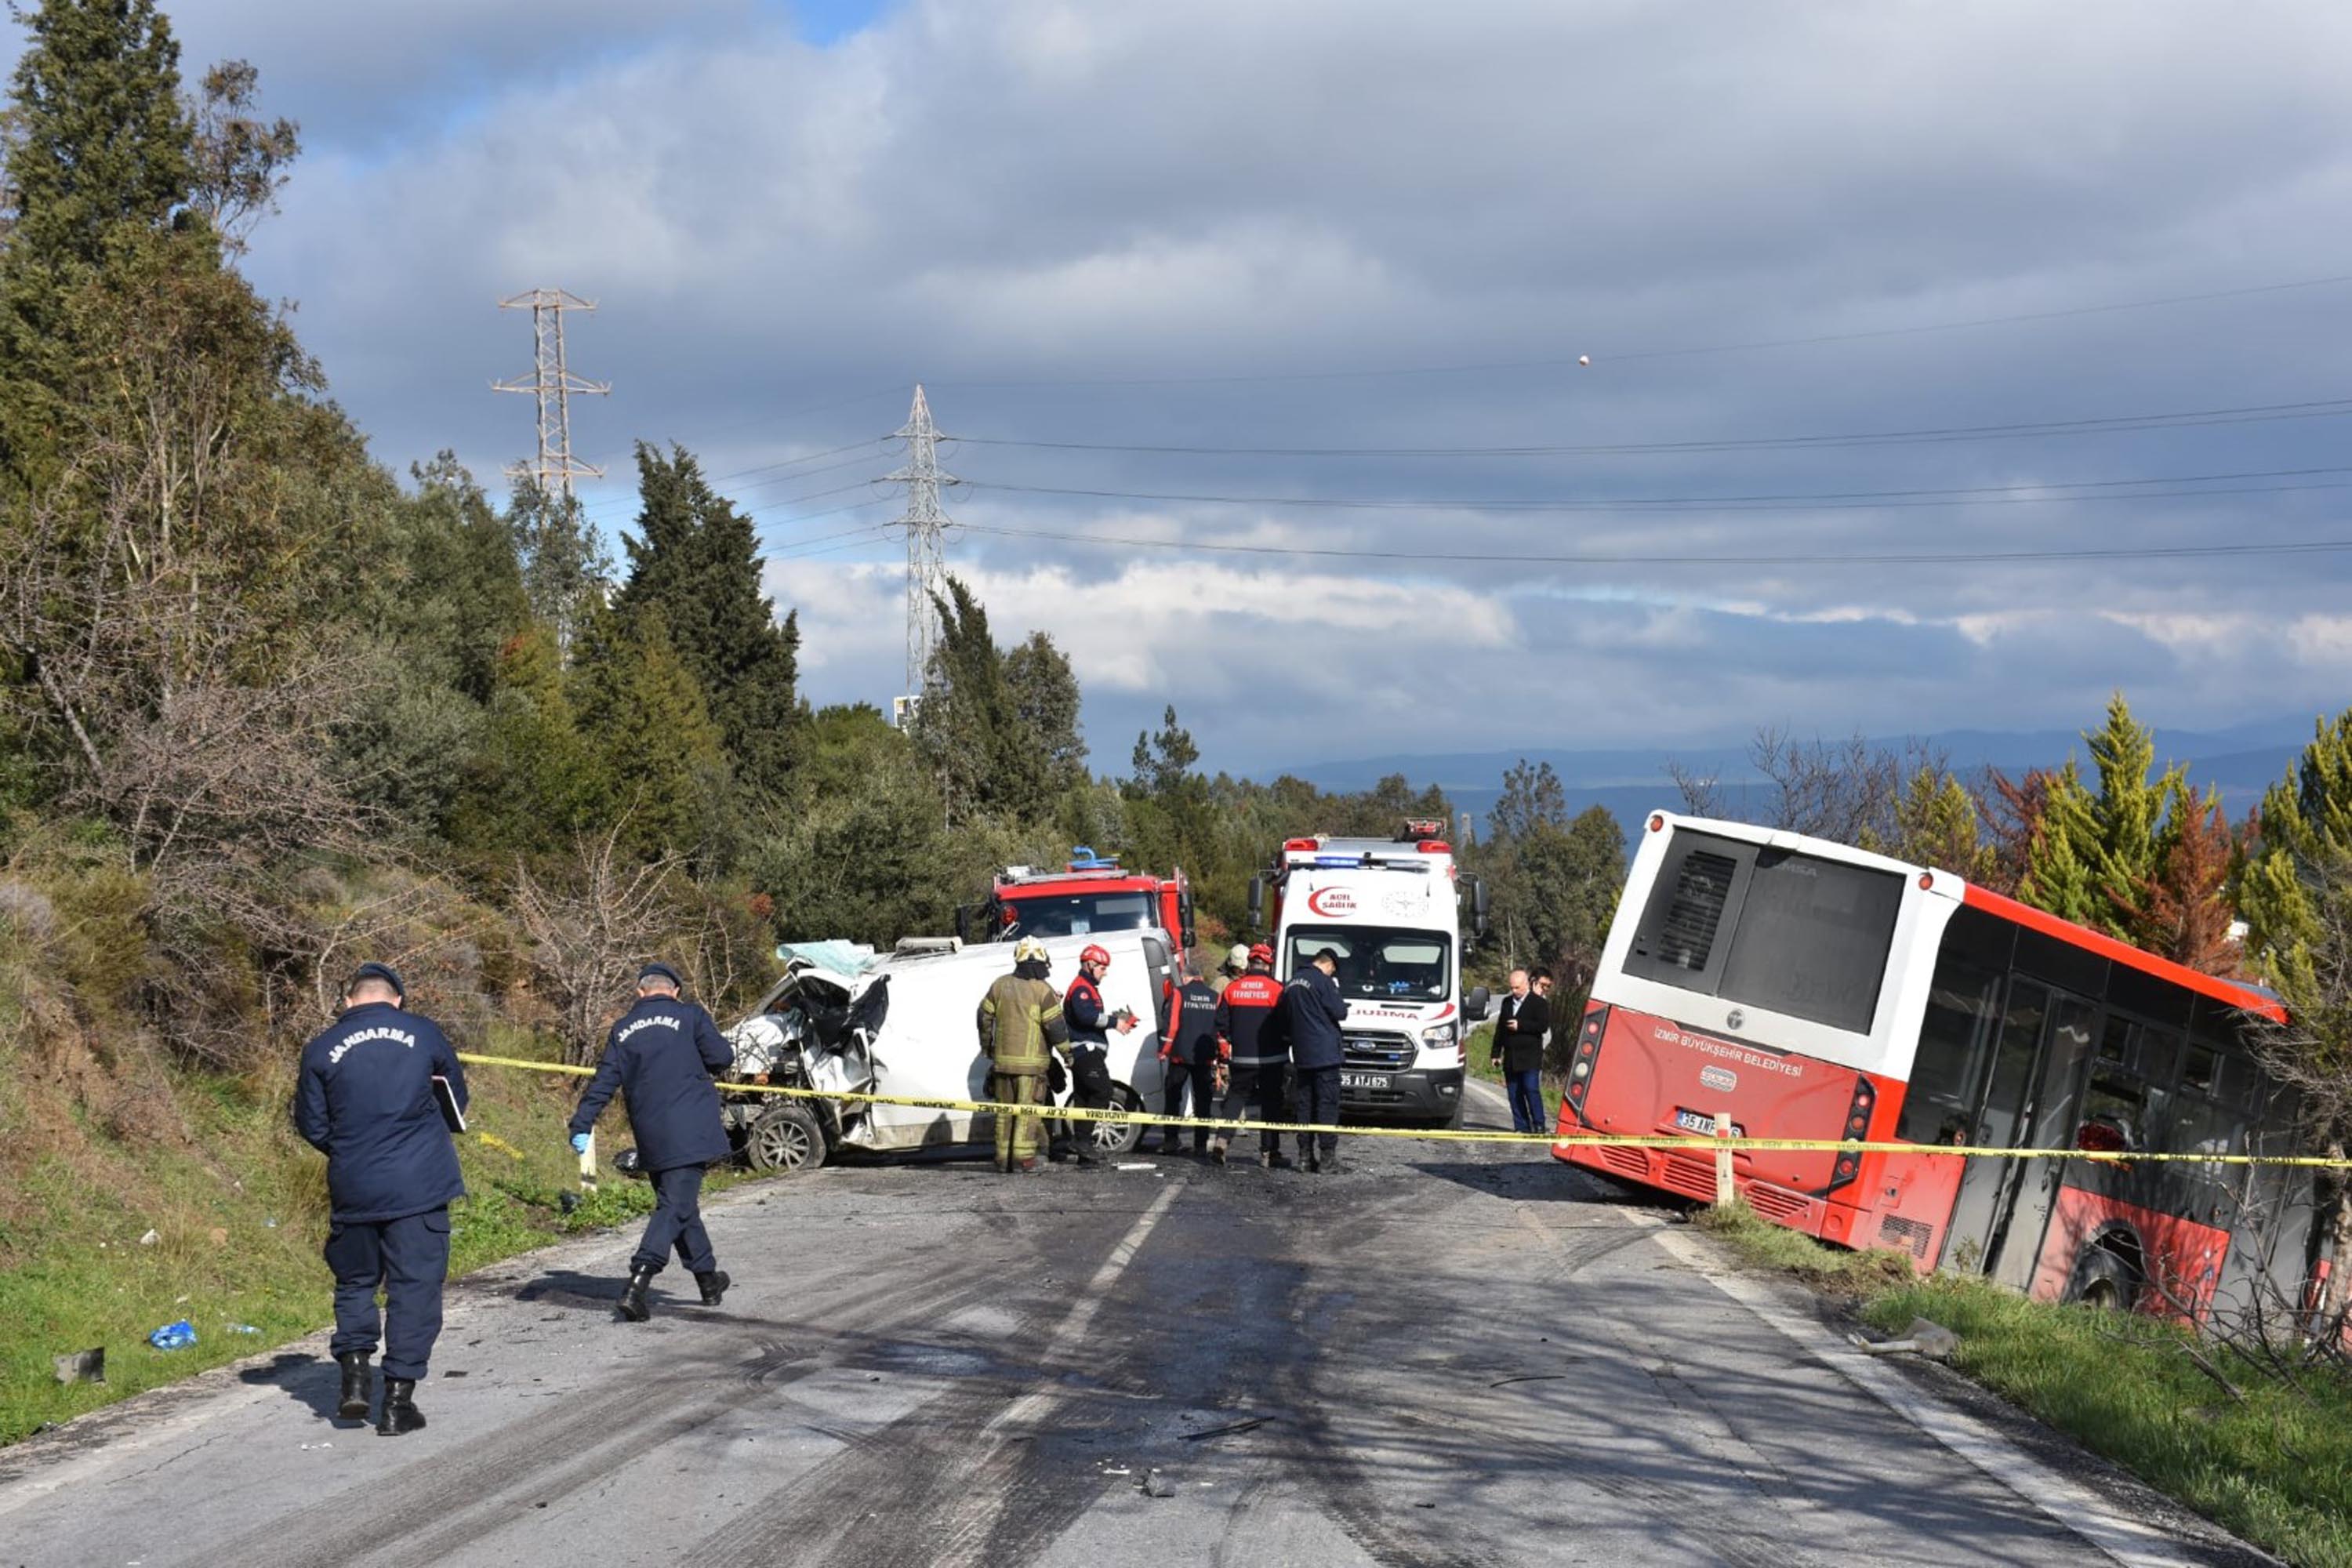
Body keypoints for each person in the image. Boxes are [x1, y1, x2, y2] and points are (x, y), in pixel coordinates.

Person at [292, 962, 468, 1438]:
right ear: (397, 1000)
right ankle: (397, 1401)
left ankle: (353, 1377)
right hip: (420, 1185)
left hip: (354, 1184)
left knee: (354, 1281)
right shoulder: (424, 1033)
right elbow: (457, 1099)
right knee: (414, 1288)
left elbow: (312, 1124)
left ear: (348, 1001)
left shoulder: (321, 1048)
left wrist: (353, 1151)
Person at [568, 962, 735, 1323]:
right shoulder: (689, 1016)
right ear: (674, 991)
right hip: (691, 1131)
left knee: (681, 1208)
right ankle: (638, 1283)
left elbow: (603, 1082)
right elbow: (722, 1058)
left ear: (640, 992)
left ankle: (709, 1282)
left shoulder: (623, 1029)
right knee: (673, 1208)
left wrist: (582, 1124)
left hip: (652, 1137)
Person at [978, 936, 1067, 1172]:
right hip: (1032, 1069)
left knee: (1004, 1114)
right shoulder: (1042, 990)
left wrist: (987, 1047)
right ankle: (1023, 1161)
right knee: (1027, 1115)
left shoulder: (999, 985)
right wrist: (1068, 1055)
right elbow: (1056, 1028)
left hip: (1002, 1065)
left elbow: (983, 1017)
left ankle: (1002, 1160)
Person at [1059, 942, 1138, 1166]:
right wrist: (1115, 1022)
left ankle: (1084, 1151)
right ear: (1090, 964)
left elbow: (1090, 1016)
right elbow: (1086, 1017)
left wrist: (1115, 1020)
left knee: (1084, 1098)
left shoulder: (1087, 987)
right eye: (1102, 968)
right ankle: (1082, 1142)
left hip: (1086, 1051)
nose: (1105, 973)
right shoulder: (1082, 988)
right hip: (1086, 1051)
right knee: (1103, 1091)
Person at [1207, 944, 1285, 1167]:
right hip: (1272, 1059)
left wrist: (1230, 1045)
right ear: (1268, 964)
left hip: (1242, 1058)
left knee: (1235, 1099)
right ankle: (1270, 1153)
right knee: (1271, 1104)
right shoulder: (1277, 990)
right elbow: (1285, 1023)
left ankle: (1221, 1143)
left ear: (1250, 963)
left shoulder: (1233, 989)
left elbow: (1221, 1025)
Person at [1286, 947, 1351, 1173]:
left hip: (1302, 1055)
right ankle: (1327, 1160)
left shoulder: (1292, 982)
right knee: (1327, 1105)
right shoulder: (1324, 982)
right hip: (1325, 1055)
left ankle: (1304, 1157)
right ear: (1329, 965)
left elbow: (1285, 1018)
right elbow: (1340, 1012)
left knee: (1305, 1106)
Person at [1159, 970, 1221, 1155]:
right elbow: (1219, 1027)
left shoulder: (1179, 993)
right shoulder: (1214, 996)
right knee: (1203, 1101)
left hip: (1180, 1055)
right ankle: (1201, 1144)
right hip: (1205, 1056)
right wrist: (1220, 1056)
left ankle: (1171, 1140)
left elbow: (1172, 1025)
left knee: (1173, 1097)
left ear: (1186, 978)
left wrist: (1164, 1050)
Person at [1495, 967, 1552, 1135]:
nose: (1514, 991)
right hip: (1511, 1056)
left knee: (1531, 1088)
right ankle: (1521, 1125)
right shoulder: (1506, 1003)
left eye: (1517, 988)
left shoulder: (1539, 1003)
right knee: (1514, 1092)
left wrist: (1521, 1026)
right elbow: (1500, 1029)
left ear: (1526, 984)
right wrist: (1495, 1053)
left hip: (1530, 1056)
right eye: (1512, 987)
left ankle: (1539, 1123)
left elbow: (1542, 1026)